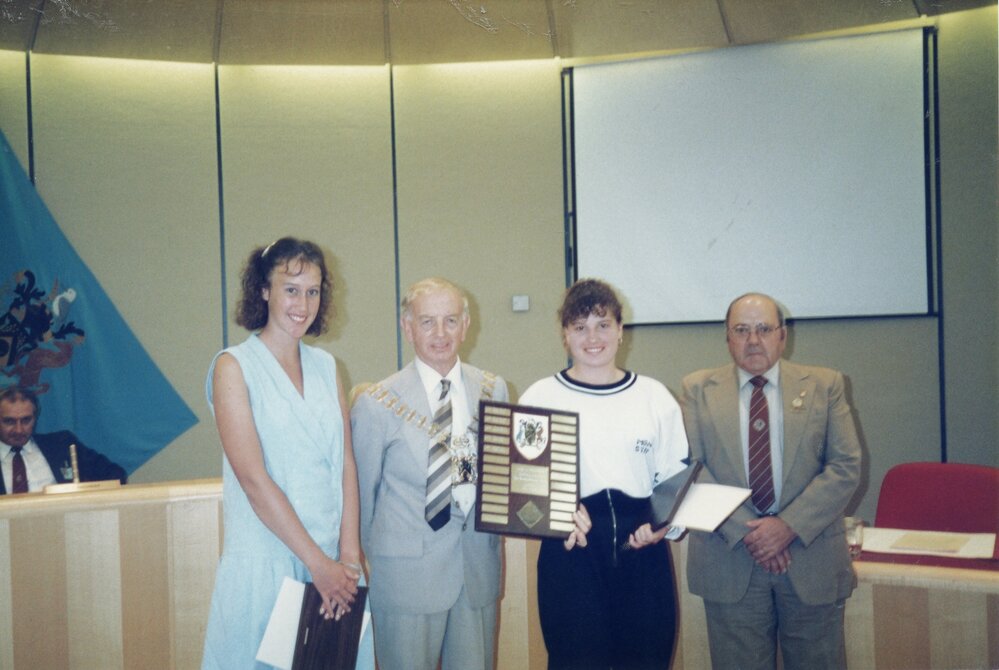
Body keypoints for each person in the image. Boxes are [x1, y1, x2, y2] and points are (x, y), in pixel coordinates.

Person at [201, 238, 373, 670]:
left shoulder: (327, 366)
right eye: (291, 289)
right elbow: (254, 481)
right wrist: (318, 565)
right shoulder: (233, 367)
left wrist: (348, 561)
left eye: (312, 291)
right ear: (263, 291)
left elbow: (346, 464)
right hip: (268, 566)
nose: (303, 303)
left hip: (335, 572)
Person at [680, 292, 862, 670]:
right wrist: (751, 532)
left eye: (763, 329)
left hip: (810, 560)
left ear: (783, 335)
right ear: (727, 337)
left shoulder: (825, 385)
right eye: (741, 330)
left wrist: (787, 527)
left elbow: (845, 466)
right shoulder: (697, 390)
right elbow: (690, 468)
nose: (753, 340)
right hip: (730, 559)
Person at [519, 278, 690, 670]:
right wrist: (552, 515)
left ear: (620, 331)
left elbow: (674, 482)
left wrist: (664, 526)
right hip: (572, 557)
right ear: (565, 335)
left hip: (642, 555)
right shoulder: (539, 397)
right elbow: (522, 490)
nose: (592, 337)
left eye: (603, 324)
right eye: (579, 327)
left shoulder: (653, 397)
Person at [351, 277, 509, 670]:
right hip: (405, 579)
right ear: (407, 327)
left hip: (476, 574)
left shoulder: (494, 389)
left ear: (466, 325)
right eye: (427, 322)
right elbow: (359, 503)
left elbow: (504, 481)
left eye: (450, 321)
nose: (440, 333)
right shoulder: (377, 403)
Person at [0, 385, 126, 494]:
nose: (19, 430)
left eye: (26, 420)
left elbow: (115, 475)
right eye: (9, 421)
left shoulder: (61, 444)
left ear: (35, 418)